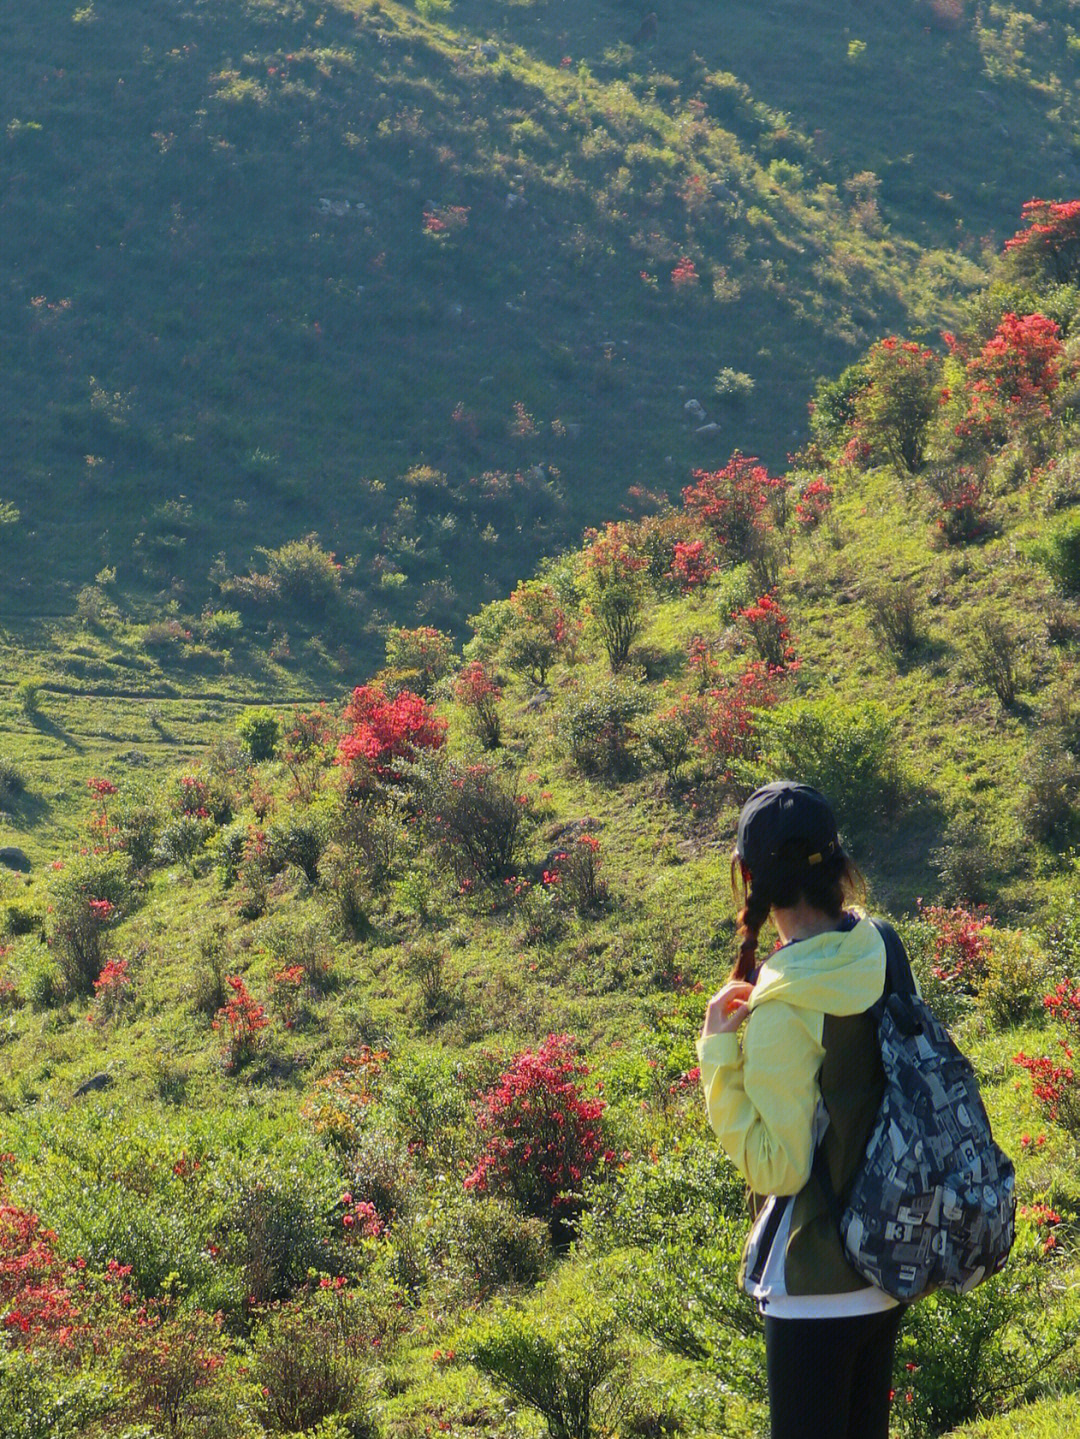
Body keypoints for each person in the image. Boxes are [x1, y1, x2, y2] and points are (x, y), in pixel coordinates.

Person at [696, 780, 902, 1439]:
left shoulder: (784, 1005)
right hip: (890, 1266)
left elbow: (778, 1169)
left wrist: (717, 1058)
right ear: (838, 864)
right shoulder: (882, 950)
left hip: (817, 1284)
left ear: (749, 879)